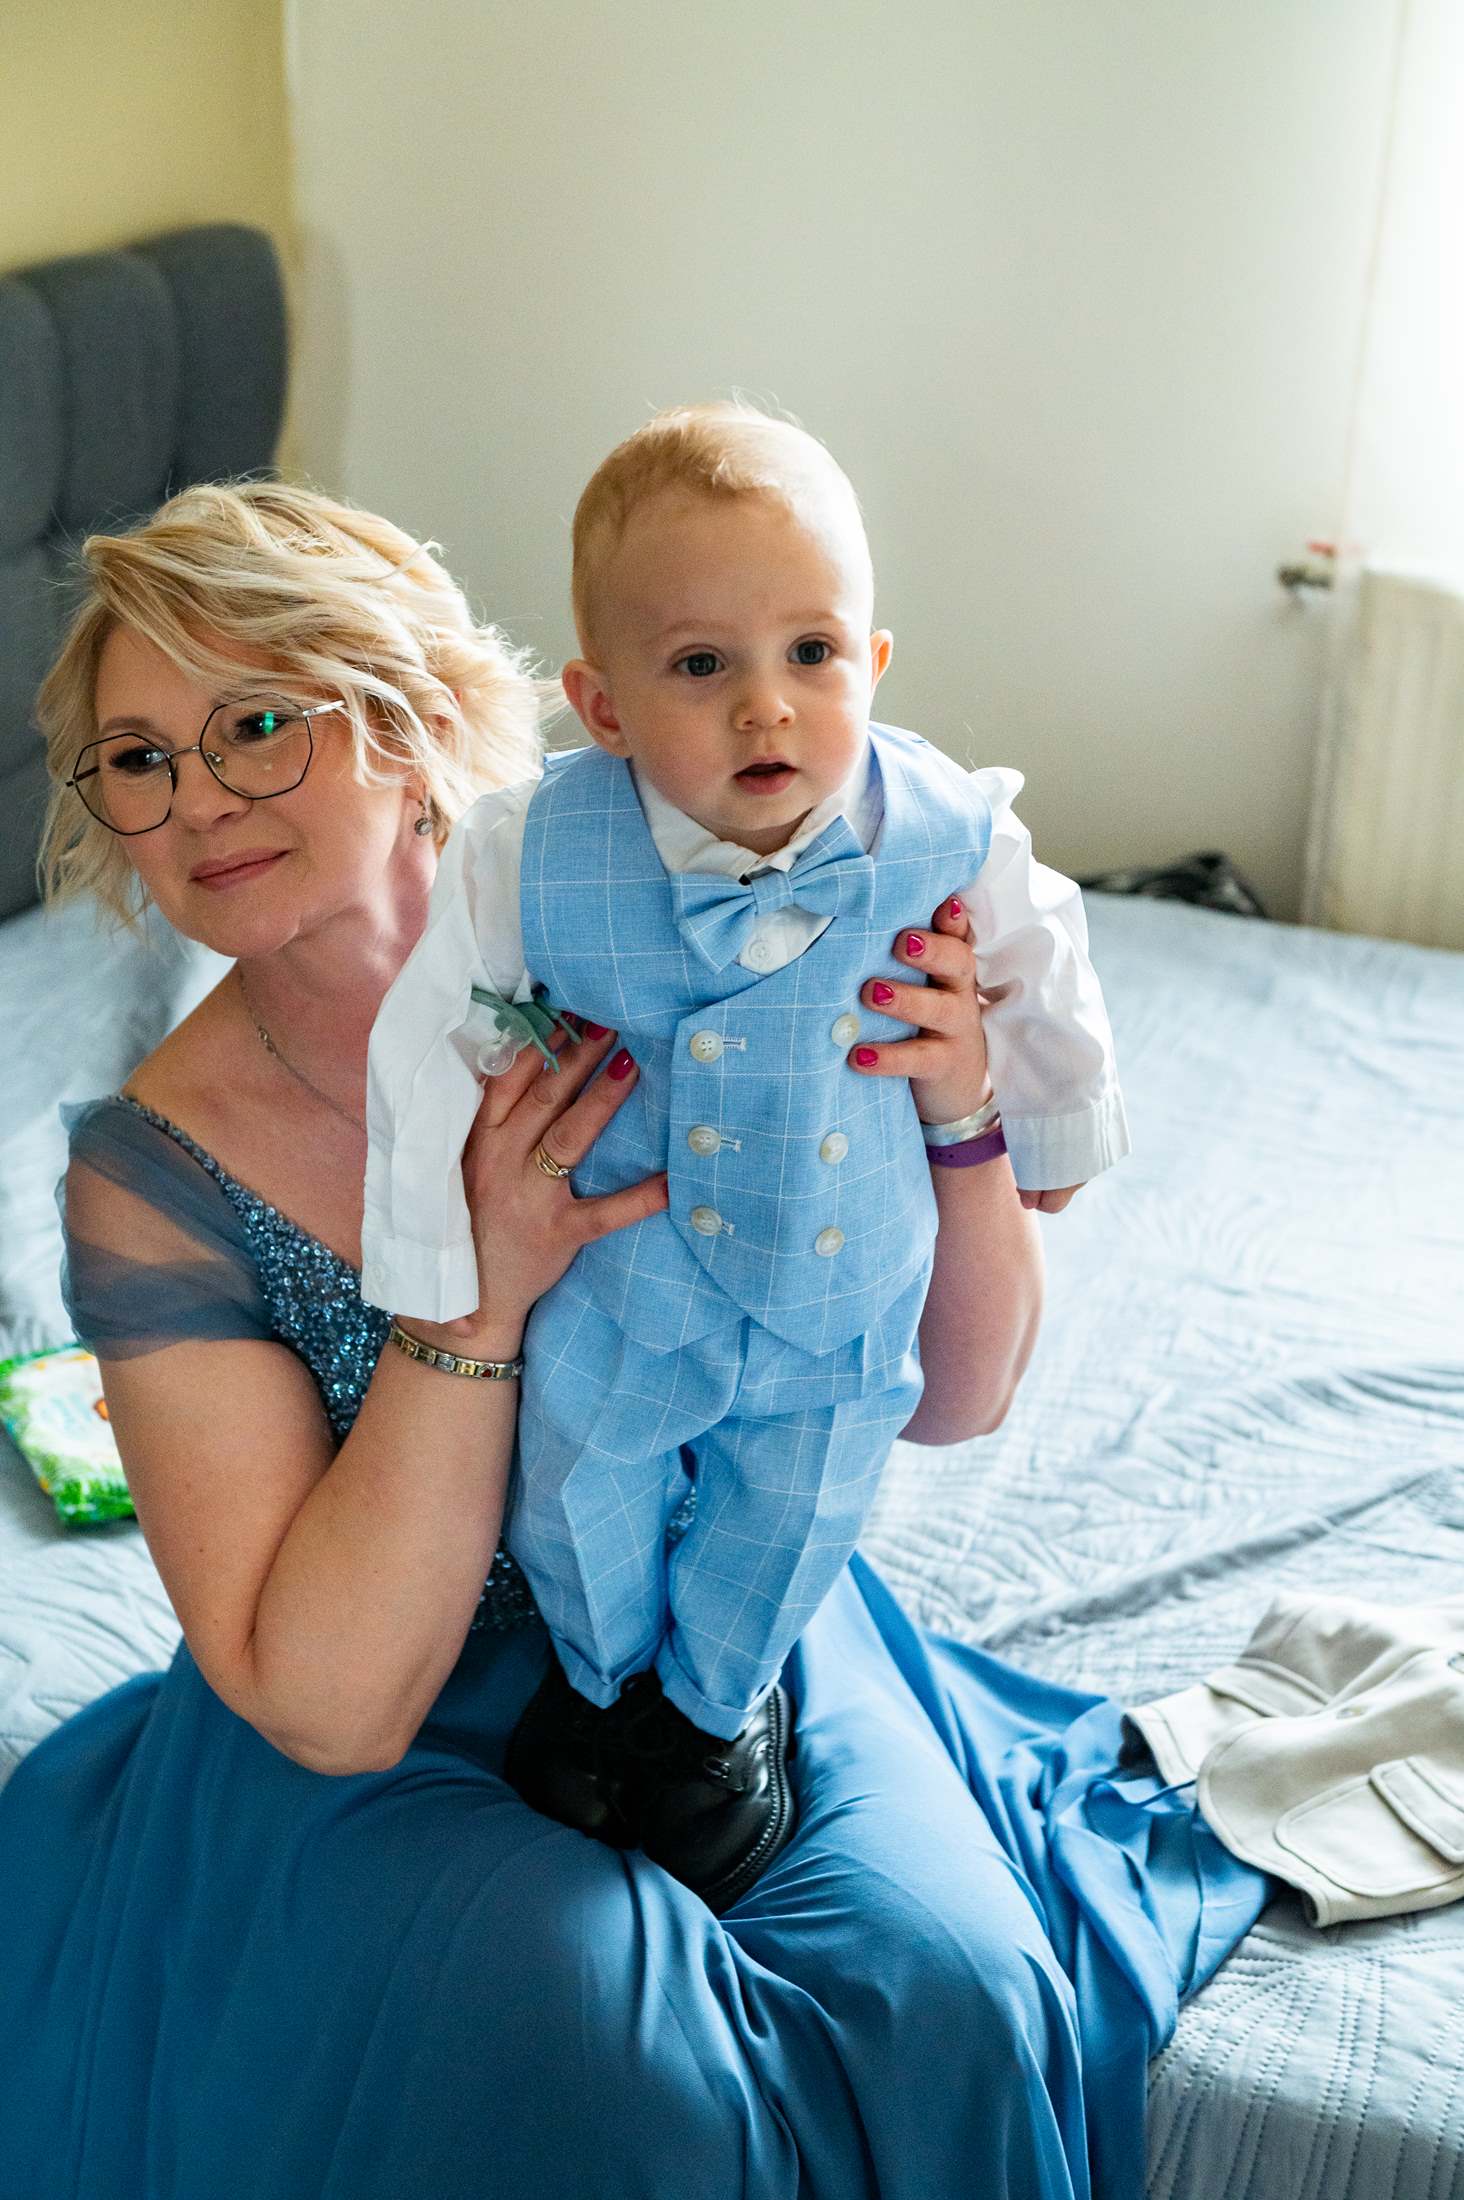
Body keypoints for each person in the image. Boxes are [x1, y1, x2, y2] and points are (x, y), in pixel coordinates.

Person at [0, 478, 1270, 2200]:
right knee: (616, 2057)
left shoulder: (680, 922)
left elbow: (960, 1399)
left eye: (257, 724)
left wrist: (965, 1118)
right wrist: (474, 1304)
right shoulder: (151, 1174)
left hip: (719, 1632)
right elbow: (331, 1707)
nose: (198, 797)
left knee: (956, 1991)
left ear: (410, 718)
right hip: (386, 1709)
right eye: (139, 759)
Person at [363, 404, 1131, 1908]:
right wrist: (427, 1248)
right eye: (702, 665)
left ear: (875, 662)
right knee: (573, 1487)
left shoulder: (945, 828)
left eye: (812, 652)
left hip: (841, 1287)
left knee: (793, 1507)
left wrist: (1051, 1123)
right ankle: (600, 1683)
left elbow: (1046, 957)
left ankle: (716, 1715)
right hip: (622, 1278)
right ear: (603, 705)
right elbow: (427, 1034)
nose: (767, 708)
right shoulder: (529, 849)